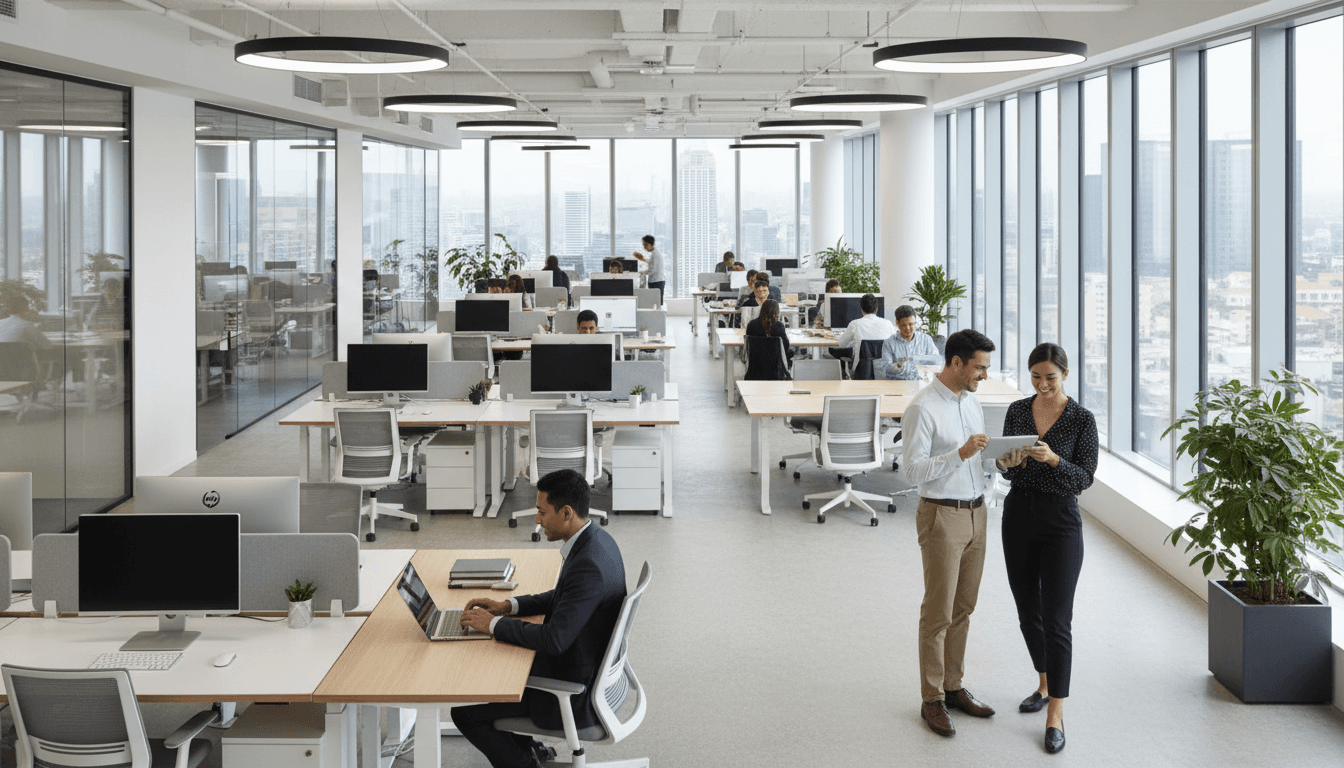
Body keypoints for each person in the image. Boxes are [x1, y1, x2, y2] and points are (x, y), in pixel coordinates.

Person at [451, 469, 627, 768]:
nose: (537, 520)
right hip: (588, 668)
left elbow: (553, 639)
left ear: (567, 513)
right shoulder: (597, 541)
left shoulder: (588, 567)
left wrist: (491, 625)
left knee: (465, 713)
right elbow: (562, 596)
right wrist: (508, 606)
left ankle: (524, 762)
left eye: (542, 512)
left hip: (573, 695)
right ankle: (534, 751)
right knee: (501, 667)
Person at [996, 343, 1097, 755]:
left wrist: (1054, 460)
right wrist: (1008, 461)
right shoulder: (1019, 410)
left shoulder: (1082, 419)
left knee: (1058, 620)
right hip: (1018, 514)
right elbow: (1001, 467)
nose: (1041, 385)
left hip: (1061, 522)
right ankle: (1043, 681)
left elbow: (1085, 478)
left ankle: (1055, 712)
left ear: (1066, 375)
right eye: (1035, 377)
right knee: (1027, 612)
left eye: (1050, 378)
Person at [901, 328, 1000, 738]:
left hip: (978, 512)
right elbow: (912, 471)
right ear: (956, 363)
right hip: (942, 515)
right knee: (938, 613)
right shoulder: (923, 409)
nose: (984, 375)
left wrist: (998, 461)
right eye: (979, 367)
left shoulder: (971, 402)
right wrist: (958, 454)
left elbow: (977, 461)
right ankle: (932, 698)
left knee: (964, 608)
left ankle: (954, 685)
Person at [880, 305, 939, 380]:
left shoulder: (926, 340)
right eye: (904, 325)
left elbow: (936, 361)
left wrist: (924, 362)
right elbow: (885, 370)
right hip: (898, 384)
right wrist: (897, 367)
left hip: (921, 383)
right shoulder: (889, 343)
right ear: (897, 323)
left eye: (911, 324)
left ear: (915, 322)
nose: (908, 328)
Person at [832, 293, 894, 362]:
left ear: (861, 308)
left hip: (862, 371)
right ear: (877, 308)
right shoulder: (888, 324)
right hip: (884, 370)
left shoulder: (855, 324)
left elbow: (842, 344)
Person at [744, 298, 793, 367]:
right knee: (790, 352)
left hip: (755, 364)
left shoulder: (751, 324)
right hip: (775, 365)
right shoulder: (778, 325)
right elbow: (785, 345)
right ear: (776, 312)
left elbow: (748, 345)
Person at [632, 234, 667, 305]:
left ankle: (658, 316)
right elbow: (653, 264)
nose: (643, 247)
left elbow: (652, 270)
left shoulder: (655, 255)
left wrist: (641, 273)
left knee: (657, 303)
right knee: (655, 303)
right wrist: (643, 259)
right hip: (656, 280)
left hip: (657, 281)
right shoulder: (655, 253)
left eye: (644, 245)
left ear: (648, 245)